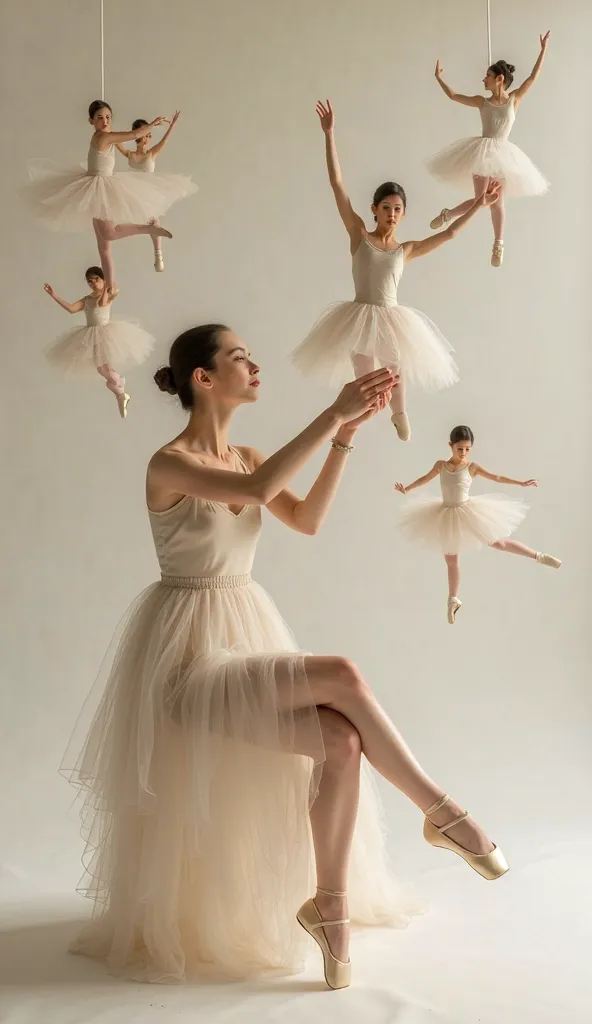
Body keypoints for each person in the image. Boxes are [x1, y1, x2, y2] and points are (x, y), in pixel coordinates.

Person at [62, 325, 508, 990]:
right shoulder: (170, 463)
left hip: (243, 635)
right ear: (202, 379)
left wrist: (348, 435)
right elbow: (255, 492)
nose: (254, 363)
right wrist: (332, 411)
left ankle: (330, 910)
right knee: (344, 675)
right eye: (239, 357)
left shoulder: (245, 454)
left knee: (341, 741)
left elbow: (306, 518)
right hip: (188, 659)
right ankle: (441, 812)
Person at [291, 99, 500, 442]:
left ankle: (399, 414)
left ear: (403, 213)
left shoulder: (406, 250)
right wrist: (329, 135)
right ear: (374, 210)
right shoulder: (359, 235)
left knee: (395, 369)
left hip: (390, 316)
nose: (391, 213)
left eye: (397, 208)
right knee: (365, 376)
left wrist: (479, 203)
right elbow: (337, 186)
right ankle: (355, 422)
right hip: (358, 315)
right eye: (385, 207)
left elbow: (448, 233)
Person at [395, 424, 561, 623]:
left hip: (468, 512)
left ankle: (538, 556)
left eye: (467, 449)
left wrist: (520, 483)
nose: (463, 453)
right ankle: (453, 600)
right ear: (450, 445)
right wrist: (407, 488)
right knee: (451, 560)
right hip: (446, 514)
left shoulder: (472, 467)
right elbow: (425, 478)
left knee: (498, 543)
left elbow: (497, 477)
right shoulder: (441, 465)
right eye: (459, 449)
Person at [21, 101, 196, 287]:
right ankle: (110, 286)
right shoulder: (102, 137)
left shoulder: (107, 137)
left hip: (101, 187)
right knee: (103, 246)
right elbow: (135, 135)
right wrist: (152, 124)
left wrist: (153, 128)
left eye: (108, 117)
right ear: (91, 120)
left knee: (109, 235)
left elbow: (134, 136)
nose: (105, 121)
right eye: (100, 117)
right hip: (95, 185)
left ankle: (148, 230)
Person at [427, 32, 551, 267]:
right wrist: (439, 79)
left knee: (497, 201)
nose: (483, 80)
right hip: (483, 152)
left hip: (504, 155)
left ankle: (498, 244)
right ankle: (448, 214)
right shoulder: (481, 102)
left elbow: (533, 77)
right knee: (480, 199)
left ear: (499, 79)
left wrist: (543, 49)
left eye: (487, 76)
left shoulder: (514, 99)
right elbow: (454, 96)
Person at [44, 266, 154, 418]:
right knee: (101, 370)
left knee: (106, 370)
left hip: (106, 334)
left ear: (103, 280)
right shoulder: (87, 299)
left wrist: (107, 281)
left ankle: (121, 390)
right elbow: (70, 308)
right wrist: (54, 295)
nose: (93, 283)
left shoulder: (108, 293)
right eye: (90, 281)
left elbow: (110, 293)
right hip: (90, 335)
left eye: (96, 279)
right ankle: (121, 393)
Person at [115, 110, 191, 272]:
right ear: (138, 136)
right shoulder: (129, 154)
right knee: (129, 222)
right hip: (132, 192)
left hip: (149, 192)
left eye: (149, 135)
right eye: (146, 135)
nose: (148, 138)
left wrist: (172, 126)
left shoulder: (152, 153)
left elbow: (164, 141)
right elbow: (116, 141)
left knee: (153, 221)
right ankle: (154, 251)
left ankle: (158, 254)